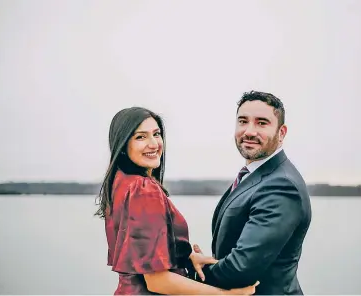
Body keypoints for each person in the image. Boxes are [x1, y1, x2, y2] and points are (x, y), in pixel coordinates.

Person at [94, 106, 259, 295]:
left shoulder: (120, 181)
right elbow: (157, 281)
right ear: (122, 145)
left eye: (156, 134)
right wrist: (225, 295)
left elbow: (139, 250)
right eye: (141, 137)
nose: (154, 144)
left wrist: (187, 257)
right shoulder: (144, 191)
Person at [193, 91, 312, 295]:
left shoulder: (282, 185)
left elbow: (242, 268)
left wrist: (197, 273)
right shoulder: (256, 175)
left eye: (261, 123)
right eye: (243, 121)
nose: (249, 131)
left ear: (281, 133)